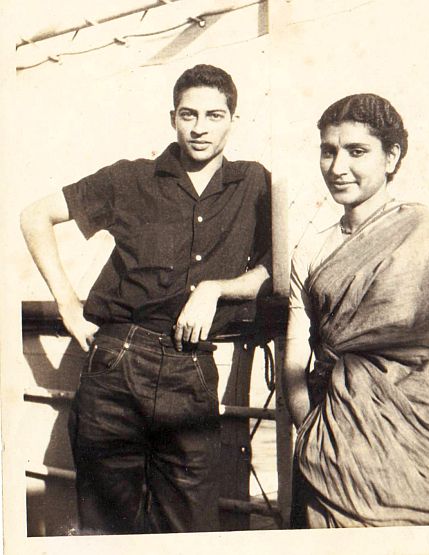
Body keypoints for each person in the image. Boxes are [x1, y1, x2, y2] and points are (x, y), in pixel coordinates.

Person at [20, 64, 272, 535]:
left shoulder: (255, 185)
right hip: (116, 365)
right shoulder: (129, 178)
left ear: (233, 120)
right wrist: (67, 305)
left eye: (214, 115)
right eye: (188, 114)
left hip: (191, 368)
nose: (200, 128)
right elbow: (34, 216)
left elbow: (273, 266)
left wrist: (216, 289)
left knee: (190, 528)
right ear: (172, 118)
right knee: (105, 528)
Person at [283, 93, 429, 528]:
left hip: (408, 446)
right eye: (329, 151)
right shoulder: (311, 248)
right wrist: (313, 434)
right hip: (324, 450)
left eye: (356, 151)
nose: (338, 167)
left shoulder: (424, 233)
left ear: (392, 156)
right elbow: (293, 357)